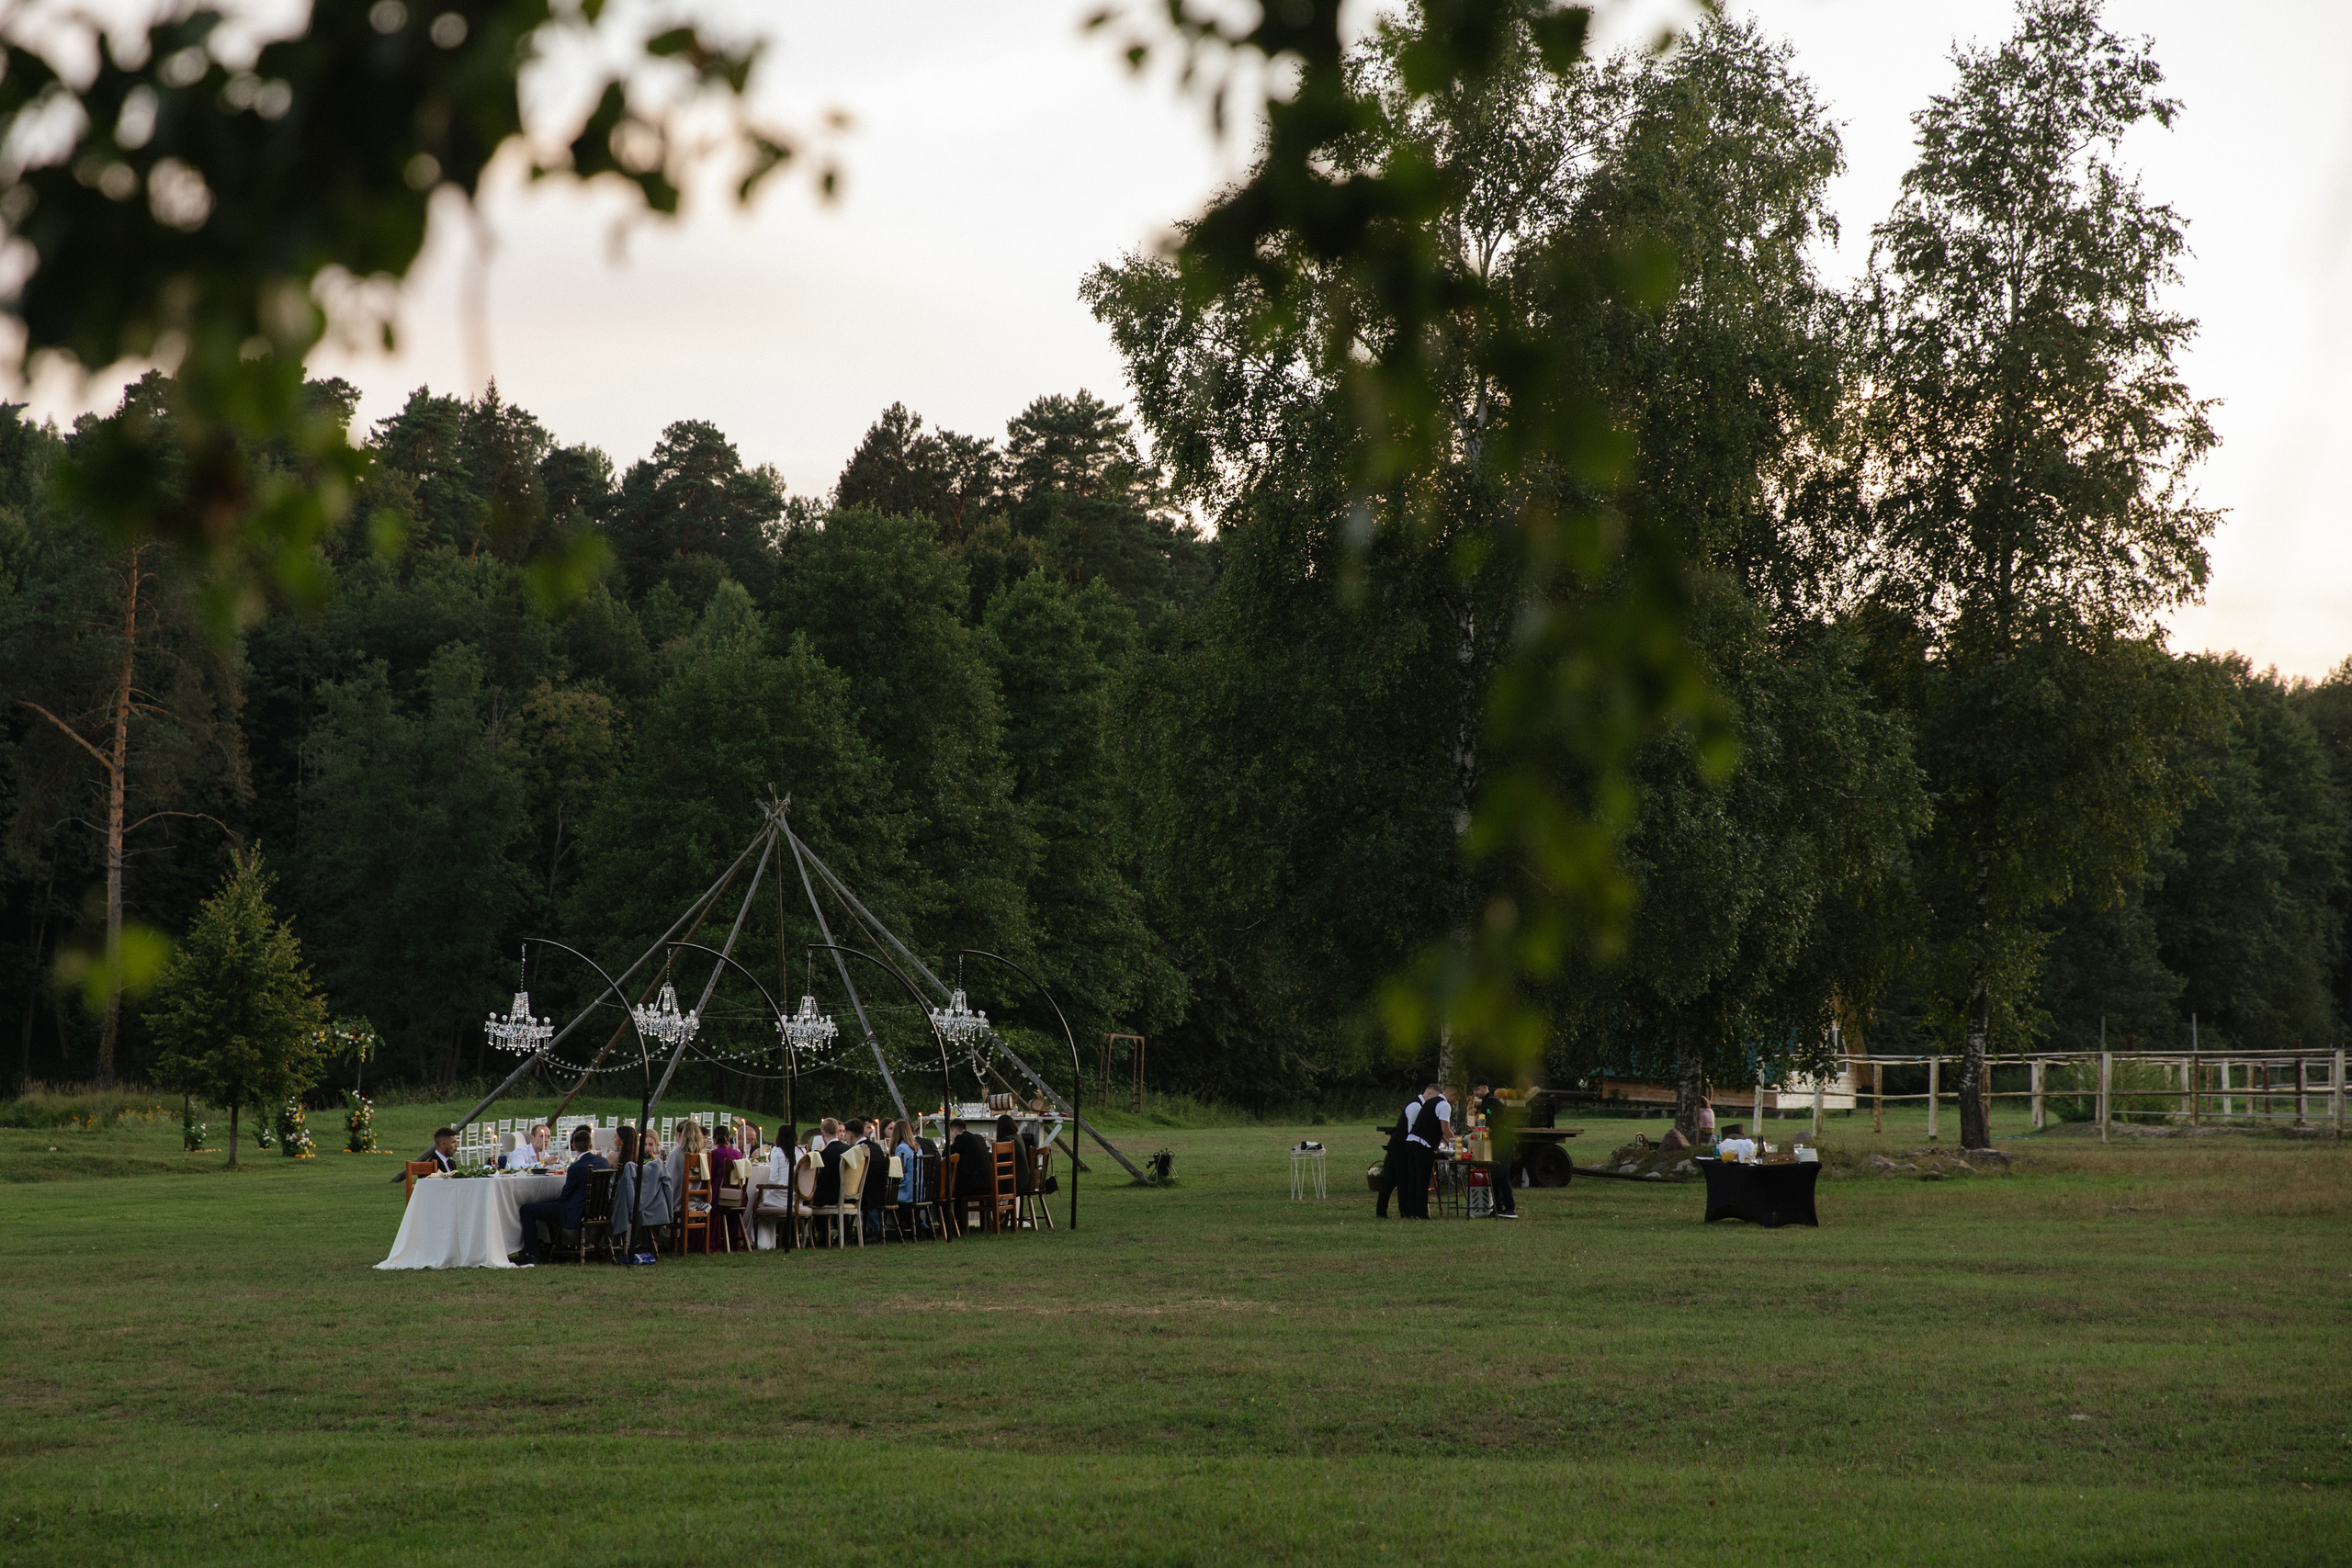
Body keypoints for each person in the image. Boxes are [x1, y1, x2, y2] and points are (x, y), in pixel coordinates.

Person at [514, 1124, 606, 1263]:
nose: (546, 1140)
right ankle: (555, 1247)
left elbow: (565, 1196)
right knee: (548, 1205)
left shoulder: (576, 1167)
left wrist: (557, 1200)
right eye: (542, 1136)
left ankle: (533, 1254)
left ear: (573, 1146)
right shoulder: (604, 1162)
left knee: (527, 1210)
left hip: (577, 1210)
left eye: (549, 1137)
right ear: (591, 1145)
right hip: (599, 1209)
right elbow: (516, 1167)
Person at [613, 1124, 675, 1247]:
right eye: (645, 1144)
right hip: (649, 1201)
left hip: (635, 1201)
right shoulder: (638, 1162)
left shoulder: (618, 1159)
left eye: (651, 1144)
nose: (647, 1148)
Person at [1468, 1082, 1519, 1219]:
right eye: (1474, 1090)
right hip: (1499, 1142)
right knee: (1495, 1175)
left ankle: (1509, 1207)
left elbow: (1491, 1122)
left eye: (1477, 1089)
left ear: (1485, 1087)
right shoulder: (1490, 1102)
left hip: (1501, 1142)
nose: (1476, 1092)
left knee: (1501, 1175)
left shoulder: (1489, 1103)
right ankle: (1497, 1207)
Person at [1400, 1084, 1450, 1220]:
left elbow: (1439, 1131)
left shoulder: (1428, 1104)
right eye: (1457, 1099)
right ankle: (1422, 1213)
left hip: (1411, 1141)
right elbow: (1444, 1129)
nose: (1456, 1102)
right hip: (1423, 1144)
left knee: (1413, 1179)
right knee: (1422, 1180)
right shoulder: (1442, 1105)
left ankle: (1412, 1212)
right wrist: (1456, 1143)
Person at [1374, 1103, 1412, 1218]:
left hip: (1395, 1145)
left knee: (1390, 1179)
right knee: (1401, 1179)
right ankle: (1404, 1211)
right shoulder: (1416, 1106)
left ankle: (1381, 1211)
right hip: (1400, 1148)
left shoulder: (1414, 1105)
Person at [392, 1126, 460, 1182]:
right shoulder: (430, 1165)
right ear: (442, 1144)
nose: (457, 1145)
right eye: (453, 1142)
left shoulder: (452, 1163)